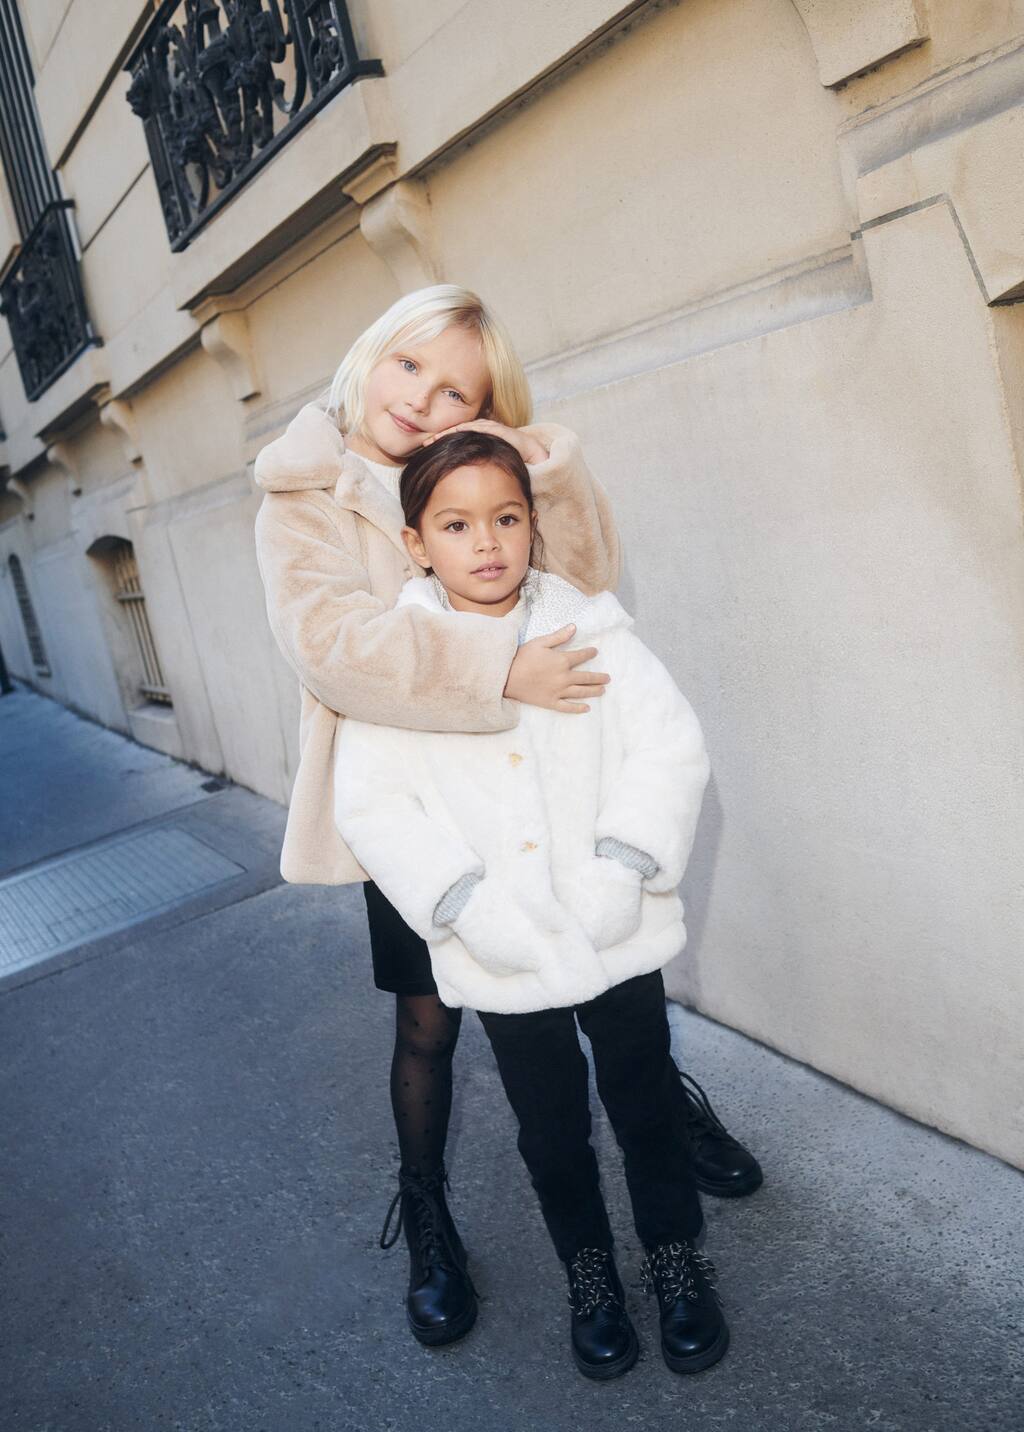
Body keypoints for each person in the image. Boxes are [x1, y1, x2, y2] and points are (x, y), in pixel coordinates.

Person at [252, 284, 761, 1353]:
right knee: (432, 1019)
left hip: (564, 795)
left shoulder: (483, 474)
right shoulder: (302, 489)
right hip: (417, 805)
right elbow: (335, 651)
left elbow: (588, 587)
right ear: (369, 353)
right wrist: (500, 669)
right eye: (408, 368)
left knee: (613, 1003)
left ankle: (662, 1122)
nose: (422, 400)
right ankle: (430, 1213)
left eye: (455, 391)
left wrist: (541, 464)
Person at [334, 430, 729, 1379]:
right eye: (458, 524)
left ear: (532, 523)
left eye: (506, 517)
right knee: (550, 1127)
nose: (488, 543)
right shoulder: (409, 660)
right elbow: (373, 803)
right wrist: (466, 903)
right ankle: (589, 1276)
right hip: (503, 949)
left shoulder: (591, 627)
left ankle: (676, 1261)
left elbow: (668, 744)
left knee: (644, 1103)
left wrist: (621, 866)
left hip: (616, 928)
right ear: (417, 541)